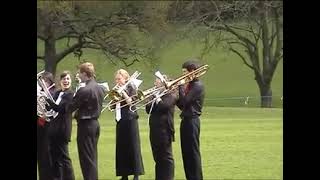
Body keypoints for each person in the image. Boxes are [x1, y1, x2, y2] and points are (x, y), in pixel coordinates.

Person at [67, 62, 105, 180]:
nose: (79, 75)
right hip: (95, 124)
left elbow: (70, 107)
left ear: (84, 73)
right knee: (92, 156)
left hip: (85, 125)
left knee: (86, 158)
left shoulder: (84, 90)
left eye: (80, 73)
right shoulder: (100, 88)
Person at [113, 69, 144, 180]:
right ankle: (124, 174)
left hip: (130, 119)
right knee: (121, 147)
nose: (117, 81)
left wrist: (123, 92)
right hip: (120, 120)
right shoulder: (116, 89)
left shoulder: (132, 88)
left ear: (125, 78)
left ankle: (136, 174)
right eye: (116, 79)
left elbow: (131, 103)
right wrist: (115, 97)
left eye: (119, 79)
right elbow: (112, 106)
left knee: (133, 146)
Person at [176, 60, 205, 180]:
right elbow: (182, 105)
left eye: (184, 72)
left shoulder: (198, 86)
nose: (182, 75)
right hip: (186, 120)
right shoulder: (190, 85)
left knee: (193, 153)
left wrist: (181, 86)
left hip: (192, 121)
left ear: (192, 72)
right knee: (186, 153)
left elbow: (185, 101)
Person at [145, 75, 177, 180]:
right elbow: (148, 109)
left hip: (165, 129)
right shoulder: (156, 95)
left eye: (157, 82)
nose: (155, 84)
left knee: (166, 157)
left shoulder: (171, 94)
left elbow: (165, 107)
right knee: (158, 157)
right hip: (154, 129)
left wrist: (157, 97)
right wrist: (150, 98)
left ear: (164, 83)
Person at [46, 71, 75, 180]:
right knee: (54, 157)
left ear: (70, 81)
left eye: (68, 79)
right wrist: (45, 102)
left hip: (62, 129)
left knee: (64, 157)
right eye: (63, 79)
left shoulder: (70, 95)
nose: (66, 81)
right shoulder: (57, 93)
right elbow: (49, 109)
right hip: (53, 128)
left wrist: (48, 100)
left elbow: (61, 109)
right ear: (60, 81)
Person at [37, 71, 55, 180]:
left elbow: (52, 111)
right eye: (41, 81)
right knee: (41, 155)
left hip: (47, 127)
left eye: (44, 82)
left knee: (45, 155)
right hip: (39, 127)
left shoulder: (51, 93)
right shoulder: (40, 93)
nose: (42, 84)